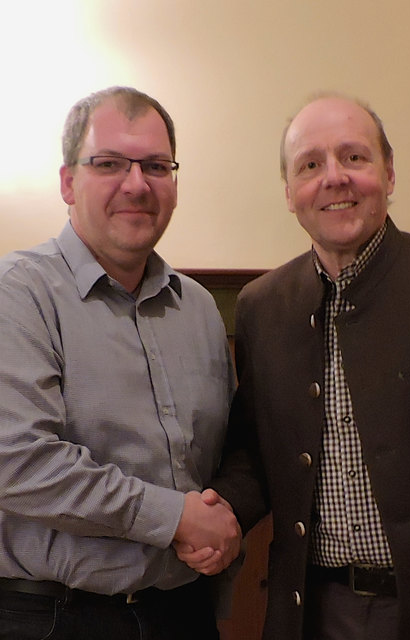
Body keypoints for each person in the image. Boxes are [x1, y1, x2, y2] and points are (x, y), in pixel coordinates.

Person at [178, 93, 410, 639]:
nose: (334, 178)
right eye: (311, 165)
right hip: (315, 611)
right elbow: (255, 448)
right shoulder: (261, 305)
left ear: (389, 174)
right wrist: (221, 511)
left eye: (355, 157)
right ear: (290, 193)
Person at [0, 86, 241, 640]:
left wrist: (221, 527)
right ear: (68, 182)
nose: (137, 184)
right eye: (109, 164)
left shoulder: (201, 309)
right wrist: (175, 518)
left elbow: (226, 453)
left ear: (175, 184)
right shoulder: (20, 294)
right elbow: (19, 461)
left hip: (184, 612)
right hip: (55, 618)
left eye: (156, 166)